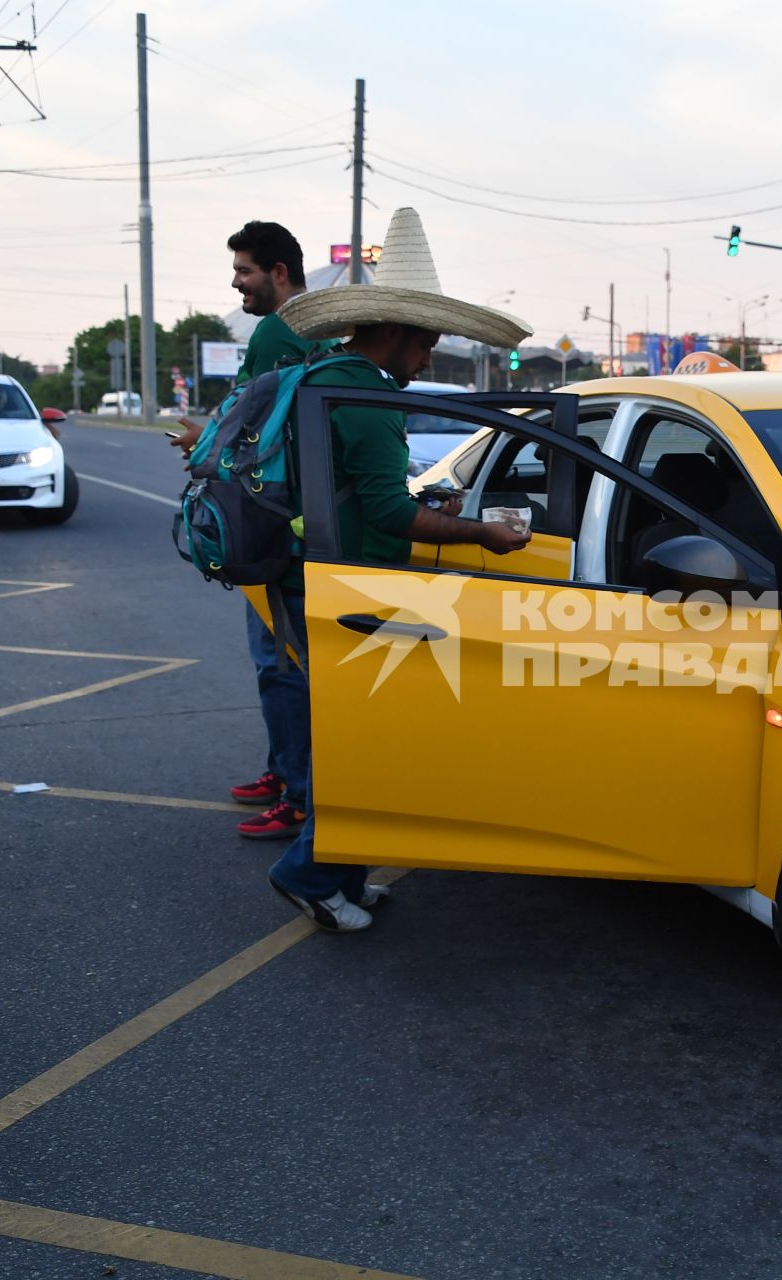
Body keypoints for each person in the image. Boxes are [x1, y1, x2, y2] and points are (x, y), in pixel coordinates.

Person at [265, 206, 532, 933]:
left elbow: (360, 491)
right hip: (349, 587)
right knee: (367, 745)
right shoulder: (370, 398)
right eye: (429, 342)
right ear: (398, 332)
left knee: (360, 739)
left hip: (312, 575)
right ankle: (310, 874)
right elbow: (388, 514)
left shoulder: (332, 376)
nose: (431, 356)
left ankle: (343, 873)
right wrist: (483, 531)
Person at [178, 221, 323, 843]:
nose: (236, 281)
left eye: (244, 271)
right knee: (288, 661)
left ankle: (296, 792)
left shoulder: (274, 329)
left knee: (280, 662)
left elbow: (247, 419)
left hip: (271, 522)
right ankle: (284, 770)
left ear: (279, 273)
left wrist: (197, 442)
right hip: (304, 516)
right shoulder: (323, 326)